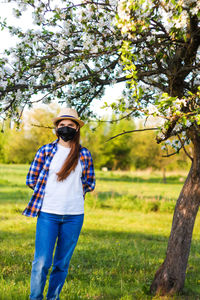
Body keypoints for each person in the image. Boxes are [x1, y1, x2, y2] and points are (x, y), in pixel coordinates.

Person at [23, 108, 95, 300]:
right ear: (56, 128)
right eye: (62, 125)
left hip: (74, 216)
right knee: (42, 262)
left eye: (70, 125)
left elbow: (90, 183)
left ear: (77, 129)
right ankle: (35, 297)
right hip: (48, 214)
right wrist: (50, 194)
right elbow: (31, 179)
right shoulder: (46, 151)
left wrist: (73, 195)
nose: (66, 128)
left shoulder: (84, 154)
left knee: (62, 264)